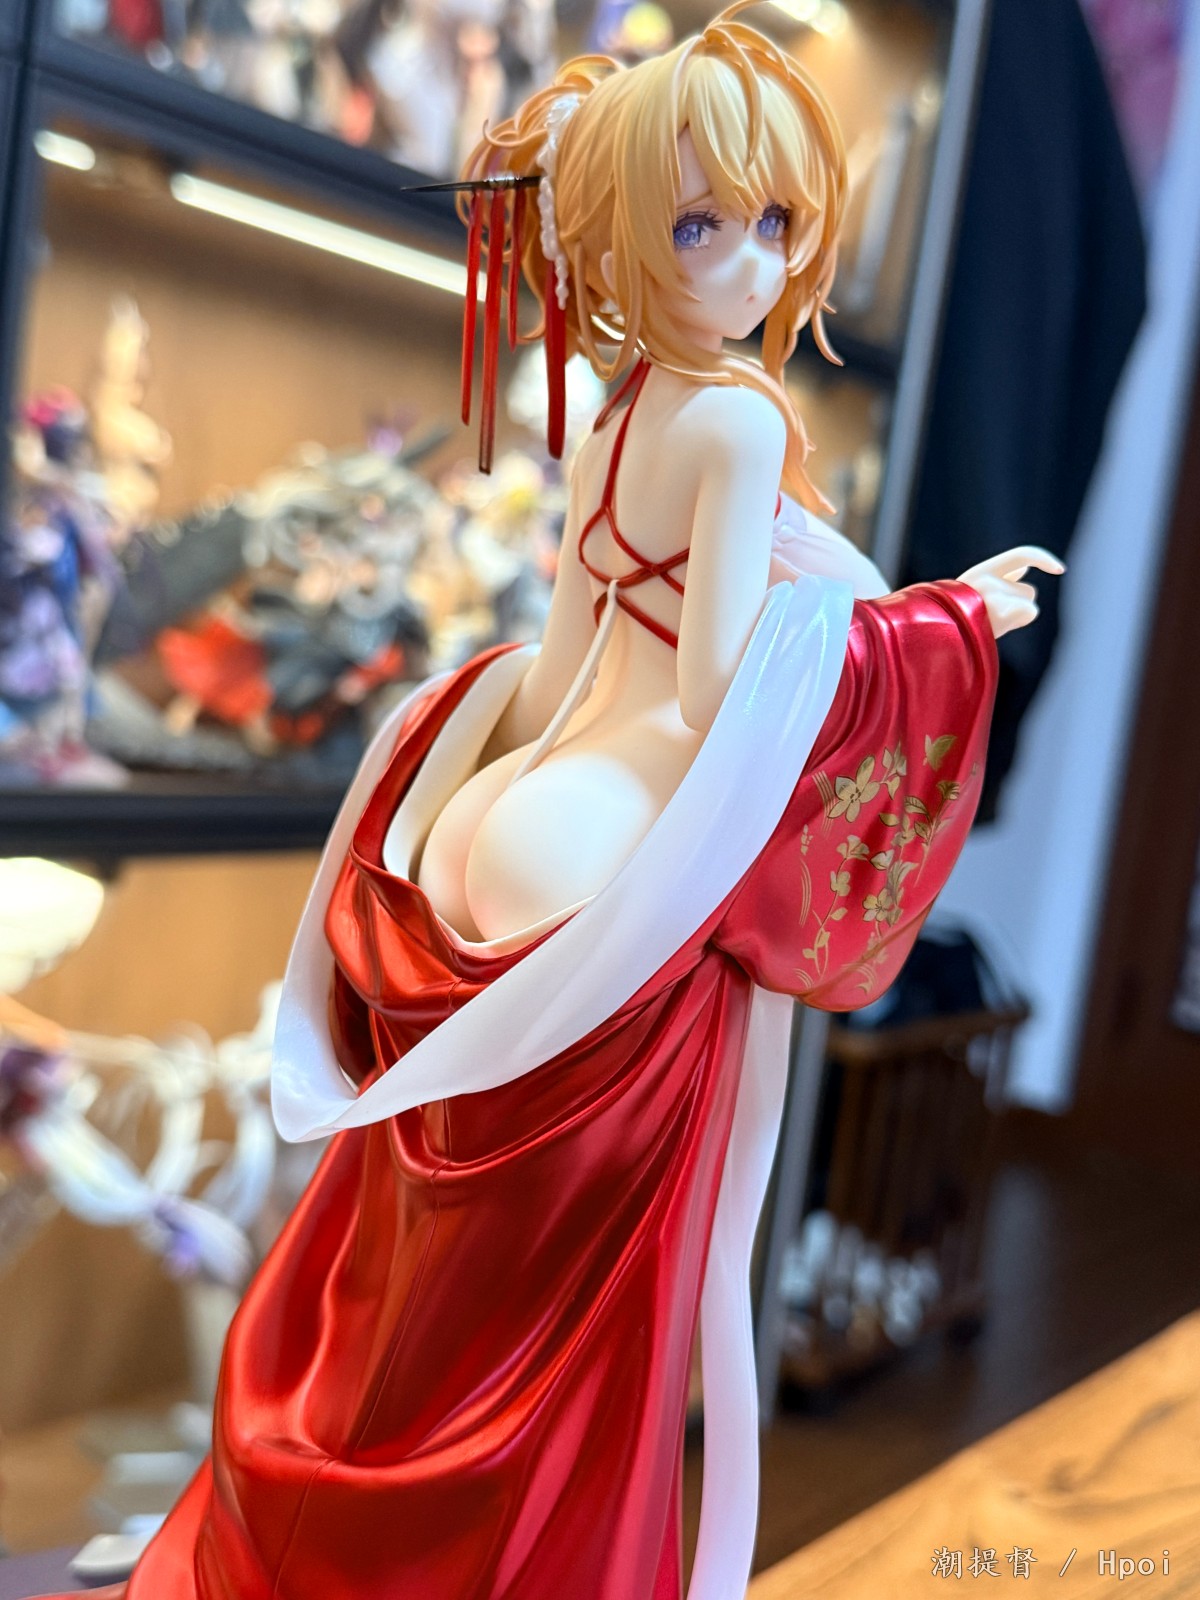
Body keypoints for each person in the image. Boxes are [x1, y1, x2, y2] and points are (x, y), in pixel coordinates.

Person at [28, 4, 1060, 1596]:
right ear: (626, 231)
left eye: (776, 224)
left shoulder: (617, 409)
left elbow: (570, 649)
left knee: (452, 1257)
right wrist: (934, 628)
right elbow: (717, 691)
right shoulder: (733, 416)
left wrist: (453, 779)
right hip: (621, 848)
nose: (752, 263)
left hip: (513, 809)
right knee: (570, 1305)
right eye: (702, 225)